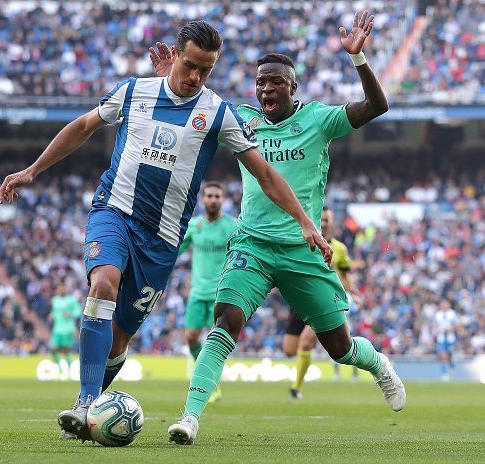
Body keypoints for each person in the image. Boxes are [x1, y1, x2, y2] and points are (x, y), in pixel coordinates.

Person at [0, 20, 330, 442]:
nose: (196, 77)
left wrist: (304, 220)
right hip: (114, 211)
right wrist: (31, 170)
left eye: (206, 70)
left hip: (162, 240)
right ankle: (84, 403)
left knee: (120, 339)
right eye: (190, 65)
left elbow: (265, 173)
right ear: (176, 55)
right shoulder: (135, 92)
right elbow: (83, 127)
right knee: (102, 284)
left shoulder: (217, 113)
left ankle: (92, 406)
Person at [151, 11, 407, 445]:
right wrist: (169, 83)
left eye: (275, 82)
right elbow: (190, 102)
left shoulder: (320, 120)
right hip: (252, 244)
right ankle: (190, 418)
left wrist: (359, 58)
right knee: (225, 320)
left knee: (340, 348)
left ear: (293, 87)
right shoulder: (241, 119)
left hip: (303, 249)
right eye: (260, 82)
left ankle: (379, 364)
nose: (266, 88)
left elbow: (377, 107)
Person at [283, 207, 361, 399]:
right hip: (300, 299)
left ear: (332, 222)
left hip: (325, 301)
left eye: (327, 220)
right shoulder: (303, 242)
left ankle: (296, 388)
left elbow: (344, 275)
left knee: (305, 342)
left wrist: (352, 291)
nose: (324, 223)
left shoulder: (340, 249)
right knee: (289, 350)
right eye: (321, 219)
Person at [178, 181, 237, 402]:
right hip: (197, 293)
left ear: (223, 200)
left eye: (217, 196)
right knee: (191, 337)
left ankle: (210, 385)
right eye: (209, 196)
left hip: (220, 294)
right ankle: (209, 379)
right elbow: (176, 251)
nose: (213, 200)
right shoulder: (194, 226)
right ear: (203, 199)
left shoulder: (232, 226)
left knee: (215, 341)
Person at [49, 283, 82, 380]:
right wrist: (51, 315)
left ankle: (67, 372)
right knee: (53, 349)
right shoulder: (54, 300)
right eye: (58, 288)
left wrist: (70, 313)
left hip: (68, 329)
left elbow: (78, 312)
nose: (60, 290)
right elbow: (55, 312)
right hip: (57, 329)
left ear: (65, 289)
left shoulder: (71, 300)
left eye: (62, 288)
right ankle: (60, 368)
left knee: (66, 350)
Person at [434, 299, 458, 381]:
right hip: (441, 338)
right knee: (443, 355)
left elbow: (457, 326)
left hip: (450, 338)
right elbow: (436, 326)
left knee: (450, 356)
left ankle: (452, 367)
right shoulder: (438, 314)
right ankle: (445, 373)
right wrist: (438, 330)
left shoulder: (452, 314)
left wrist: (451, 329)